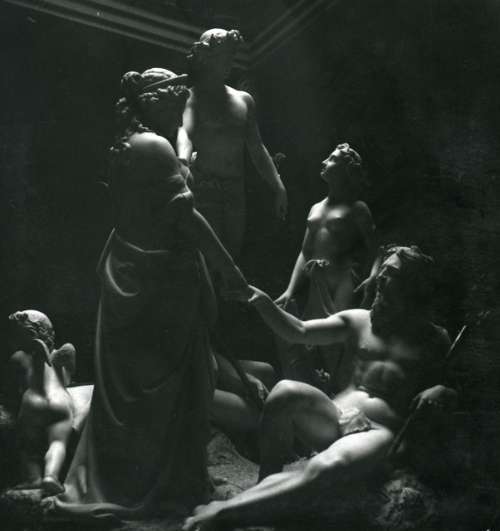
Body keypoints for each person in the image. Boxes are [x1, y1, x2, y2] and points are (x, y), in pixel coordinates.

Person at [54, 68, 248, 520]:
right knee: (173, 389)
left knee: (138, 394)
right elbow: (186, 218)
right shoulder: (153, 146)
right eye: (173, 91)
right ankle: (171, 486)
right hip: (160, 284)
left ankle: (156, 479)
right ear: (154, 99)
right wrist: (230, 270)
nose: (183, 96)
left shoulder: (133, 144)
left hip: (132, 272)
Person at [183, 245, 458, 530]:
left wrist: (440, 389)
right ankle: (264, 488)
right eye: (382, 272)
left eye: (391, 274)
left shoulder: (434, 339)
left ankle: (223, 513)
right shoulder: (359, 320)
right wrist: (260, 300)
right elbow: (298, 331)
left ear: (411, 288)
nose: (380, 279)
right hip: (335, 415)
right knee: (285, 390)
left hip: (377, 432)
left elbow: (454, 388)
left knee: (326, 466)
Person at [177, 28, 287, 257]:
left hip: (235, 191)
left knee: (231, 254)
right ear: (206, 59)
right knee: (209, 256)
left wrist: (278, 186)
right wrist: (183, 164)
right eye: (223, 56)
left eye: (231, 56)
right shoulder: (190, 97)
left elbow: (257, 148)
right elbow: (186, 133)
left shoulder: (244, 100)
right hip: (205, 188)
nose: (229, 62)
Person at [274, 143, 375, 392]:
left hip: (343, 278)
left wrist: (373, 276)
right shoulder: (316, 208)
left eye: (331, 159)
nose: (324, 162)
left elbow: (375, 248)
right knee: (313, 336)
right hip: (317, 280)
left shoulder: (358, 209)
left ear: (346, 170)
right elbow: (305, 252)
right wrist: (290, 290)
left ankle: (342, 392)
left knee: (337, 338)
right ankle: (317, 390)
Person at [7, 310, 75, 497]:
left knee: (27, 446)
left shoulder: (19, 357)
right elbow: (66, 381)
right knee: (58, 443)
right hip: (60, 402)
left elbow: (18, 387)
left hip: (33, 402)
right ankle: (51, 476)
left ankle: (33, 478)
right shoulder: (62, 354)